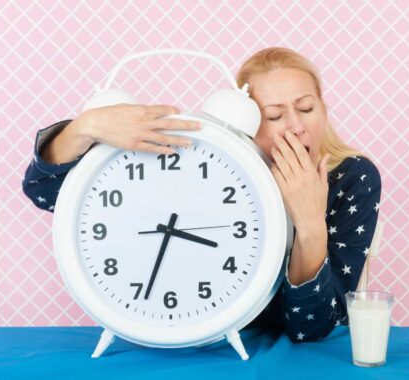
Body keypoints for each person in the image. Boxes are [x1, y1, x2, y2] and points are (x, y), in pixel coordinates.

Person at [22, 47, 381, 343]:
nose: (296, 126)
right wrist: (86, 127)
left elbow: (312, 326)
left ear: (323, 107)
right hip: (202, 341)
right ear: (249, 126)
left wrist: (310, 224)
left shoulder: (352, 177)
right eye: (274, 115)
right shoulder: (215, 163)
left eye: (306, 108)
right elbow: (43, 193)